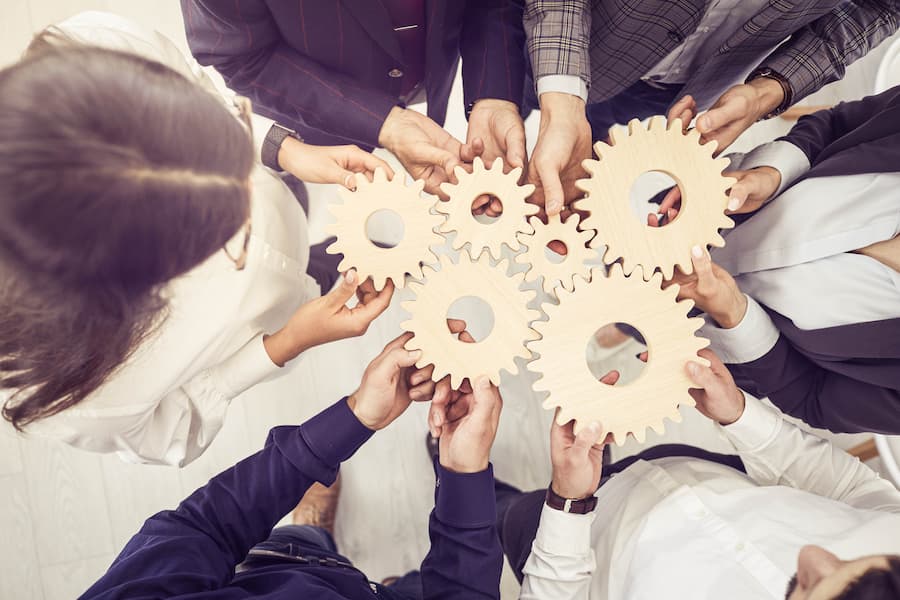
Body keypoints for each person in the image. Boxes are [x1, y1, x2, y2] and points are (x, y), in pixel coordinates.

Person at [0, 16, 395, 466]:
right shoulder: (73, 400)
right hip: (265, 322)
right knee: (314, 277)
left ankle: (315, 259)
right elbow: (173, 428)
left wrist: (281, 151)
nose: (247, 200)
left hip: (288, 223)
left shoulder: (95, 48)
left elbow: (205, 91)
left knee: (300, 228)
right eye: (228, 235)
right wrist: (289, 340)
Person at [79, 334, 507, 599]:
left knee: (304, 536)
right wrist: (462, 472)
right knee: (414, 586)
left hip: (281, 558)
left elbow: (202, 529)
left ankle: (316, 529)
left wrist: (355, 417)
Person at [494, 351, 900, 598]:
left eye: (807, 587)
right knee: (593, 432)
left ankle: (481, 493)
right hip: (690, 468)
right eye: (855, 557)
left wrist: (568, 502)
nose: (811, 554)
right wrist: (738, 414)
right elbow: (850, 489)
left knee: (501, 512)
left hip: (577, 542)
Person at [664, 86, 900, 435]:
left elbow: (812, 397)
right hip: (683, 203)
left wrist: (734, 316)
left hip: (692, 335)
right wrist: (769, 175)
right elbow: (835, 125)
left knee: (615, 326)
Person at [522, 0, 900, 216]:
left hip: (695, 82)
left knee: (602, 136)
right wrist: (561, 93)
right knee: (532, 111)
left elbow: (881, 6)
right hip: (579, 39)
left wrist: (770, 89)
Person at [180, 0, 530, 199]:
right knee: (294, 199)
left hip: (433, 72)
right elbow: (241, 57)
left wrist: (494, 93)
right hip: (311, 110)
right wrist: (380, 120)